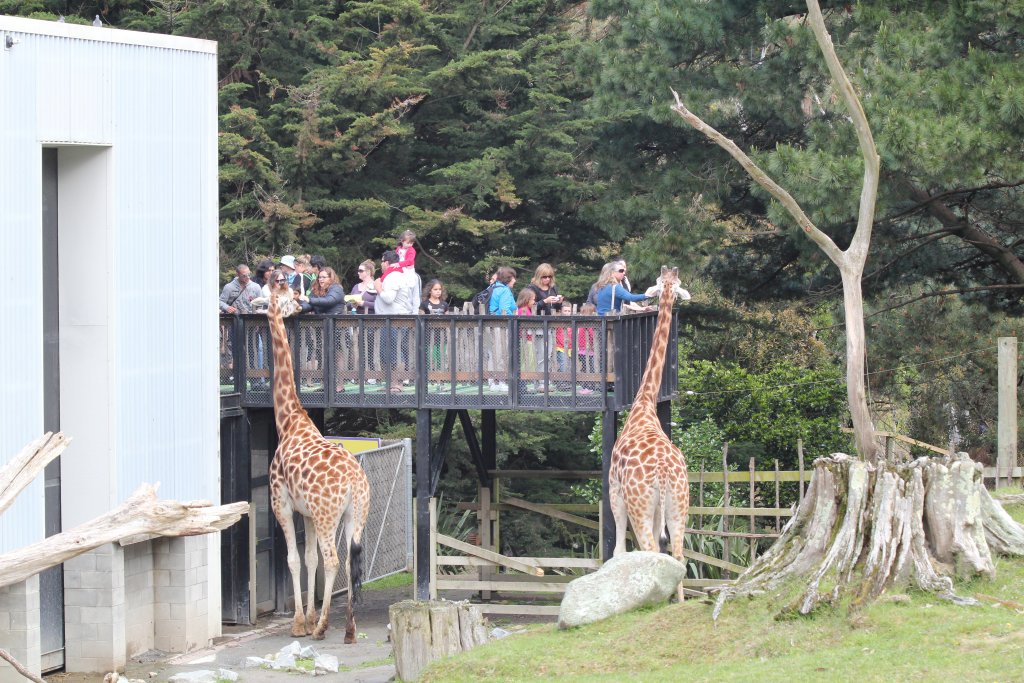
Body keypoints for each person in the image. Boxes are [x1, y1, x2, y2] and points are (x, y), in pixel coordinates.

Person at [374, 250, 415, 391]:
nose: (381, 264)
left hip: (394, 319)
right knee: (388, 352)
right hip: (390, 319)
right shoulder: (394, 275)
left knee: (394, 352)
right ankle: (392, 383)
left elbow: (388, 298)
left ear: (386, 262)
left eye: (382, 261)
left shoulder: (393, 276)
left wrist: (378, 287)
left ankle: (397, 384)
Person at [485, 266, 516, 391]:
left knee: (492, 353)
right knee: (501, 353)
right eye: (513, 278)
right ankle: (500, 381)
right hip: (501, 326)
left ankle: (492, 381)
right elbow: (505, 309)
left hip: (489, 325)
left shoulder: (492, 287)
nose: (515, 280)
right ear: (508, 278)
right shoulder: (505, 291)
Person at [420, 279, 449, 382]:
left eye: (439, 289)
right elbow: (421, 319)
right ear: (430, 291)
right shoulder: (424, 304)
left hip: (441, 335)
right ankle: (428, 378)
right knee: (428, 356)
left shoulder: (444, 304)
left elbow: (448, 320)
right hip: (428, 335)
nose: (438, 291)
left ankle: (440, 378)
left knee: (440, 356)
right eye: (435, 289)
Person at [516, 288, 539, 393]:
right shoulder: (523, 311)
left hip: (527, 340)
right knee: (524, 364)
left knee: (527, 363)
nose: (534, 302)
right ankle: (522, 387)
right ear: (526, 299)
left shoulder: (527, 310)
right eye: (533, 299)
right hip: (524, 340)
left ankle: (523, 386)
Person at [396, 229, 421, 310]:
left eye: (411, 243)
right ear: (402, 241)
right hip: (399, 270)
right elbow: (395, 257)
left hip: (408, 270)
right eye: (408, 243)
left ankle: (410, 307)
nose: (410, 244)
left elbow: (410, 261)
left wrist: (399, 264)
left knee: (408, 287)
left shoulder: (411, 250)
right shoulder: (398, 249)